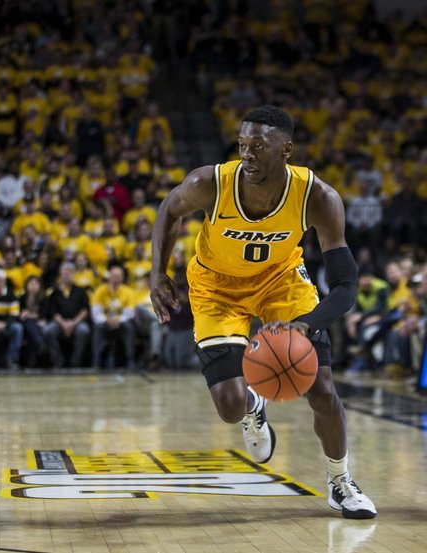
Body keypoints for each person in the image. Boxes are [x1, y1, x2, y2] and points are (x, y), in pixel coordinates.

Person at [149, 105, 376, 519]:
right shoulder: (209, 182)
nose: (247, 154)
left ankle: (340, 481)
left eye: (258, 146)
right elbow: (169, 210)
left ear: (286, 149)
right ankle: (253, 407)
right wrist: (157, 274)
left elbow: (345, 287)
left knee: (322, 388)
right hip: (216, 286)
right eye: (242, 145)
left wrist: (308, 324)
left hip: (281, 281)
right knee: (229, 405)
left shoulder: (318, 197)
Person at [44, 261, 90, 368]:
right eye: (64, 273)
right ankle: (57, 360)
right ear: (60, 275)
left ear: (74, 274)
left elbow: (85, 311)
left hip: (77, 322)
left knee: (84, 331)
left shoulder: (81, 291)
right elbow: (53, 312)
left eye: (69, 272)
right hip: (60, 323)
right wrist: (63, 323)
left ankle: (75, 362)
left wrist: (73, 323)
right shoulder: (55, 292)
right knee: (48, 331)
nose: (66, 275)